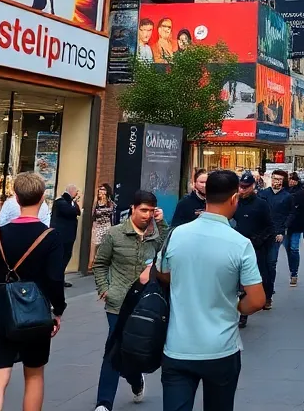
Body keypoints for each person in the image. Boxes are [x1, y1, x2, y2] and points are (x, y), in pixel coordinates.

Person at [159, 170, 265, 411]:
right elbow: (257, 300)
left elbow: (162, 272)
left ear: (205, 196)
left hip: (178, 347)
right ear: (234, 198)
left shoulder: (176, 235)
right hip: (221, 348)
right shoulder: (240, 244)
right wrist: (235, 305)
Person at [0, 172, 66, 411]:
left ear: (16, 197)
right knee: (34, 375)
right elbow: (55, 279)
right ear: (43, 197)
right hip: (36, 309)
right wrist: (58, 310)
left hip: (1, 306)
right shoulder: (51, 237)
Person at [92, 189, 166, 411]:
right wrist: (104, 288)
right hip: (118, 302)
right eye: (143, 210)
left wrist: (161, 224)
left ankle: (136, 379)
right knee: (114, 349)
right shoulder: (115, 234)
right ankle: (104, 403)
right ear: (133, 208)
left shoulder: (155, 235)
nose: (147, 215)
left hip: (145, 304)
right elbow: (100, 263)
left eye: (151, 210)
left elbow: (169, 253)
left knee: (134, 350)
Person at [231, 171, 273, 325]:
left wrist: (258, 240)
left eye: (246, 187)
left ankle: (245, 312)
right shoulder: (234, 202)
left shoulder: (261, 204)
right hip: (235, 247)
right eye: (241, 186)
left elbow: (269, 226)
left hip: (255, 247)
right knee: (235, 279)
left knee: (251, 279)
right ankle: (237, 311)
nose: (242, 190)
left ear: (253, 186)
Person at [258, 170, 293, 309]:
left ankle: (268, 296)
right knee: (260, 265)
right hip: (261, 234)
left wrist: (283, 230)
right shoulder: (263, 194)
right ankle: (260, 292)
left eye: (279, 179)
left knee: (271, 263)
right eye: (274, 178)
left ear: (283, 181)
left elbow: (291, 214)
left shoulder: (287, 196)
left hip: (276, 234)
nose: (276, 181)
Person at [51, 184, 81, 287]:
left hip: (68, 236)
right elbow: (73, 211)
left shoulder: (69, 202)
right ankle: (57, 280)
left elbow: (77, 211)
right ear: (71, 191)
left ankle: (60, 279)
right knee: (61, 258)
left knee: (65, 257)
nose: (77, 194)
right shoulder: (60, 202)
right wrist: (74, 203)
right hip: (62, 236)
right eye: (76, 191)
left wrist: (74, 202)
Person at [284, 172, 304, 286]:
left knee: (294, 248)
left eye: (293, 179)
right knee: (288, 249)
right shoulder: (284, 191)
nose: (291, 181)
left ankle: (294, 274)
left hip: (296, 225)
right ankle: (292, 270)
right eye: (290, 179)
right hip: (285, 225)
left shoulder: (301, 192)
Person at [91, 183, 115, 250]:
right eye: (100, 189)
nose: (100, 191)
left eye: (102, 189)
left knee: (105, 246)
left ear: (106, 191)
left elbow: (112, 214)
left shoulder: (110, 202)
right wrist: (95, 199)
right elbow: (92, 213)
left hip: (107, 226)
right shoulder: (97, 203)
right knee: (96, 246)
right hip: (97, 227)